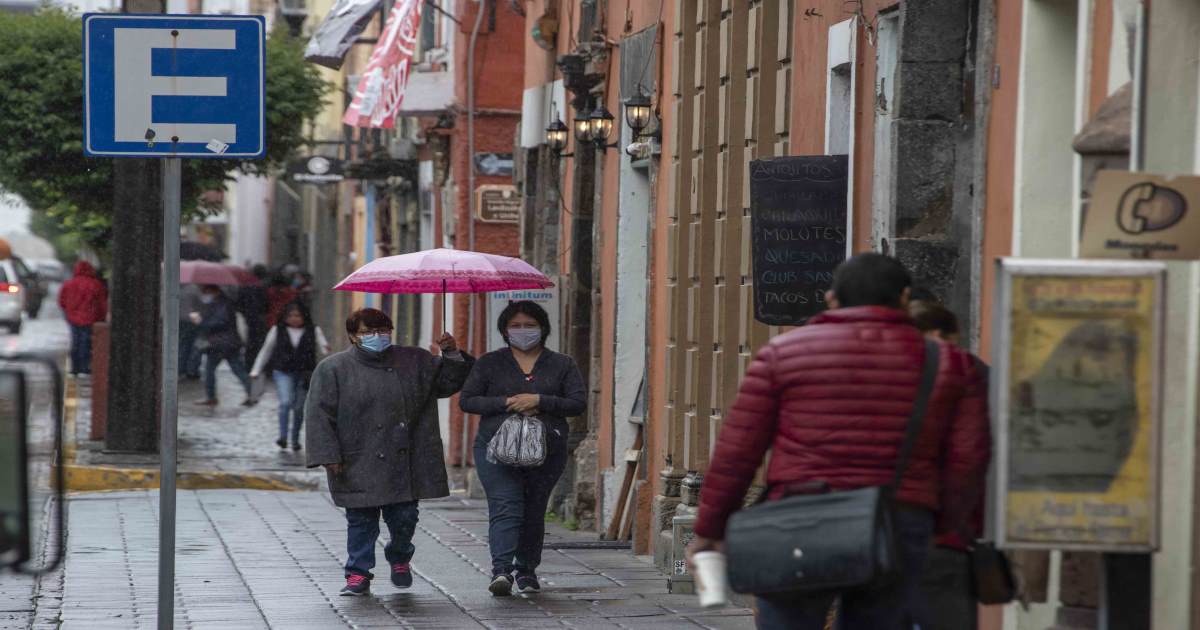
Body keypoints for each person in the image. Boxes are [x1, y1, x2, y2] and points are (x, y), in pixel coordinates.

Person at [687, 253, 991, 630]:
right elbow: (968, 459)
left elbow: (737, 452)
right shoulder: (950, 363)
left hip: (799, 519)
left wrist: (710, 530)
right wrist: (943, 527)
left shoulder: (782, 354)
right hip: (899, 520)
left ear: (831, 298)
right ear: (903, 297)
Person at [305, 308, 474, 597]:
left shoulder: (416, 360)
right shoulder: (333, 368)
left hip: (404, 458)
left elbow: (447, 383)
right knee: (361, 520)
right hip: (358, 457)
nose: (377, 336)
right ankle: (358, 573)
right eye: (368, 332)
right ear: (353, 336)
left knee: (404, 517)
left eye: (383, 330)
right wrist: (328, 454)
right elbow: (319, 414)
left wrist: (451, 354)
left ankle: (400, 555)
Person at [459, 301, 587, 597]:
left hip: (546, 450)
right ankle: (501, 570)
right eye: (515, 326)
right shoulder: (489, 363)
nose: (522, 331)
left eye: (530, 325)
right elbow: (468, 400)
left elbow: (577, 403)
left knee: (533, 508)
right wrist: (507, 402)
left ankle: (526, 569)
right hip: (496, 449)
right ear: (505, 330)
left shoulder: (562, 364)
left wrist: (540, 401)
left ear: (543, 328)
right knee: (505, 504)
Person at [909, 298, 989, 630]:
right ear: (939, 335)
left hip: (873, 529)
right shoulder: (969, 372)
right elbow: (970, 459)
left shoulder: (871, 376)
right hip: (943, 534)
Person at [251, 301, 329, 451]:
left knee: (299, 407)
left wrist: (325, 349)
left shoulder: (314, 330)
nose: (294, 319)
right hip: (283, 372)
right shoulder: (277, 330)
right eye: (291, 315)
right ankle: (283, 436)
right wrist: (256, 370)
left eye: (297, 315)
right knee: (285, 402)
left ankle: (295, 438)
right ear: (285, 317)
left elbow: (324, 348)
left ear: (304, 316)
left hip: (305, 373)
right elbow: (266, 351)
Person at [191, 285, 254, 407]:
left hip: (221, 343)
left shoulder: (222, 304)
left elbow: (220, 322)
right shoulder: (221, 303)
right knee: (236, 369)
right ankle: (252, 394)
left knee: (212, 370)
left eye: (206, 292)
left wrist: (201, 322)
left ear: (213, 291)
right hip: (226, 342)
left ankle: (211, 397)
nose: (205, 295)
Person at [58, 261, 108, 376]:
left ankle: (75, 367)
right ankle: (84, 367)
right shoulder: (95, 285)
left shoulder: (69, 284)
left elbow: (62, 301)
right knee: (86, 342)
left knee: (76, 341)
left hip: (73, 318)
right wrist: (101, 318)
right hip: (90, 318)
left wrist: (69, 311)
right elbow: (101, 304)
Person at [235, 265, 271, 377]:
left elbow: (238, 304)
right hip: (261, 318)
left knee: (251, 341)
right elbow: (267, 304)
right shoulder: (264, 287)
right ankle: (261, 365)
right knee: (262, 342)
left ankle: (249, 364)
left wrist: (246, 313)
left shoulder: (245, 286)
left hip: (250, 318)